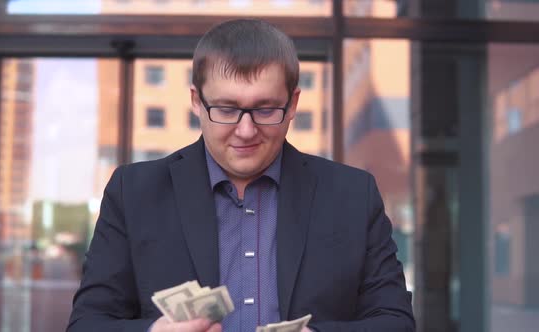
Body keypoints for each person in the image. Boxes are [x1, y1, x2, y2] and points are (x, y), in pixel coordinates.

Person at [67, 19, 414, 332]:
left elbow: (395, 322)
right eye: (227, 109)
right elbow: (87, 324)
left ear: (293, 104)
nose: (246, 131)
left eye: (265, 109)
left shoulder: (352, 194)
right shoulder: (134, 192)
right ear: (196, 101)